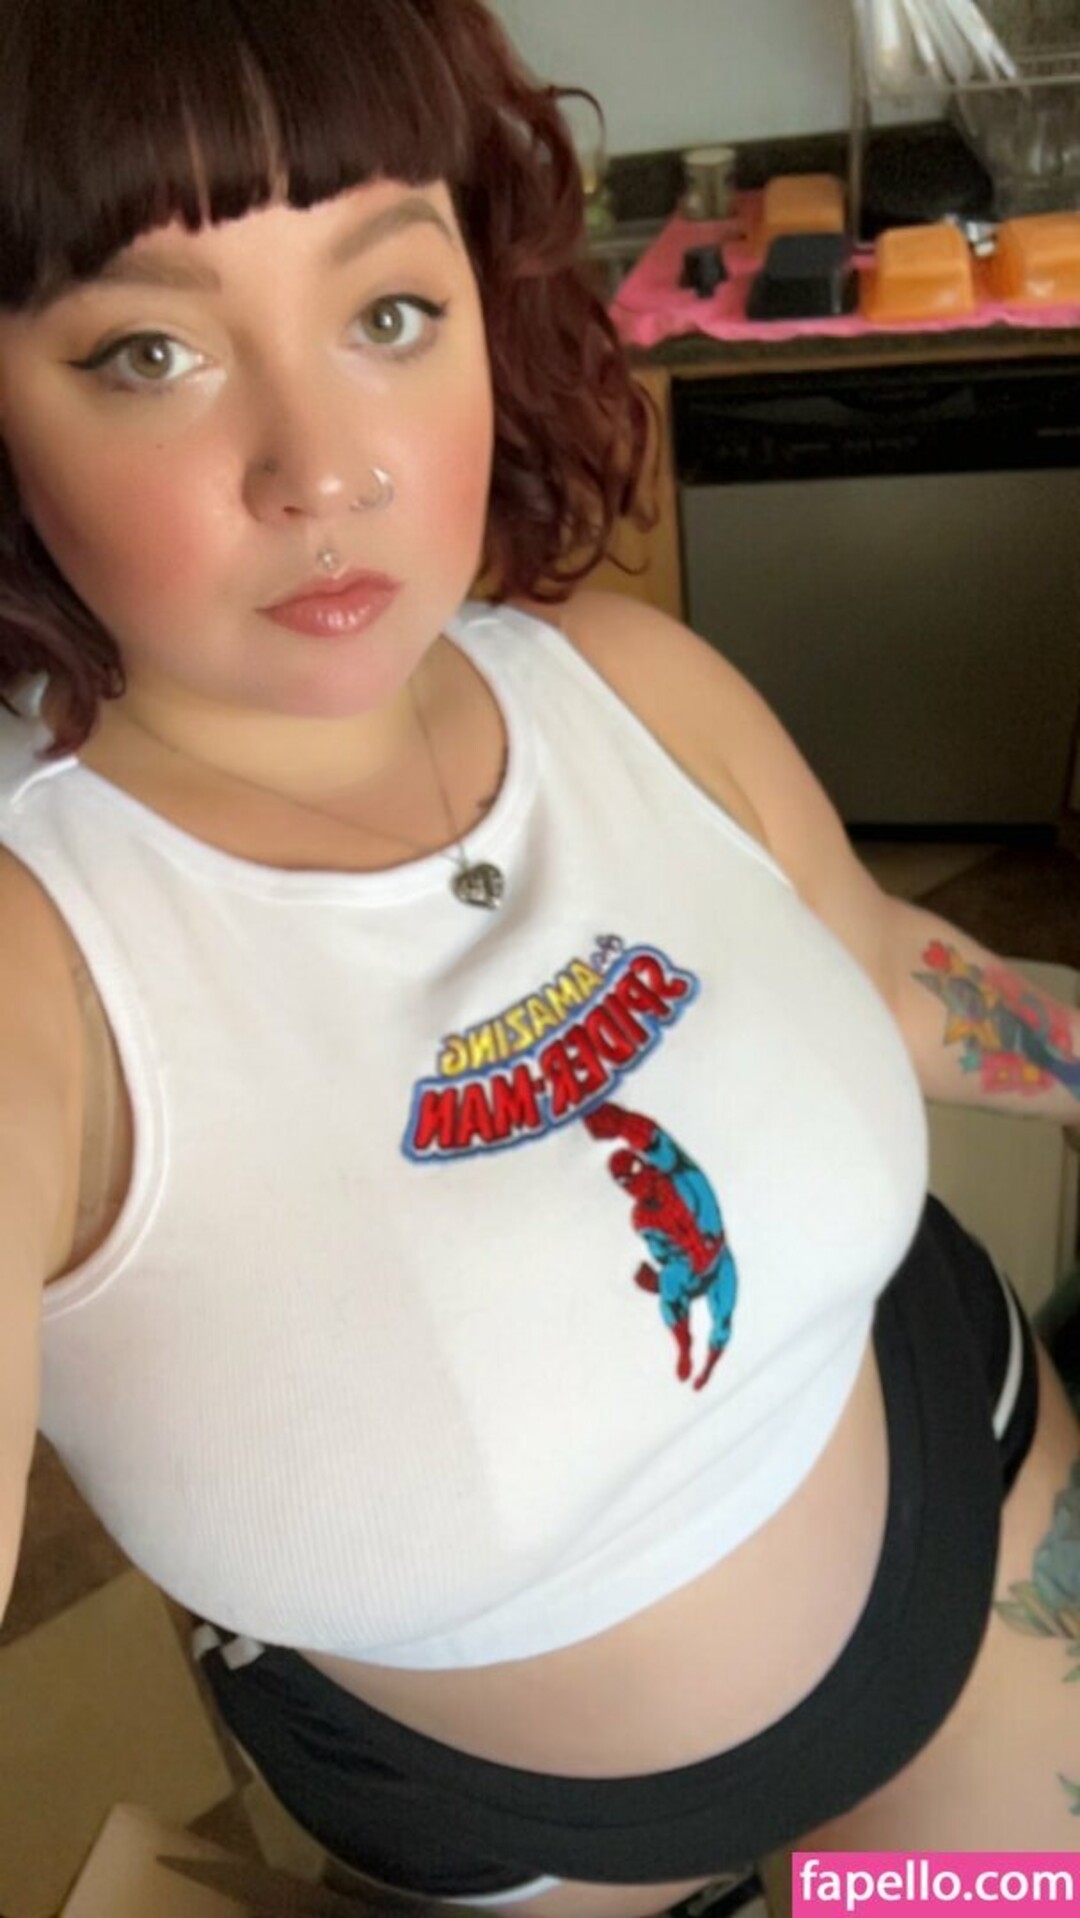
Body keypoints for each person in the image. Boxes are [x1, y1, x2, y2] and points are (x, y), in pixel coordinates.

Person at [0, 3, 1078, 1914]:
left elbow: (882, 963)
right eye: (151, 351)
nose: (323, 469)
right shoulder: (37, 960)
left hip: (964, 1537)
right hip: (510, 1834)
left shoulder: (628, 680)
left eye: (388, 309)